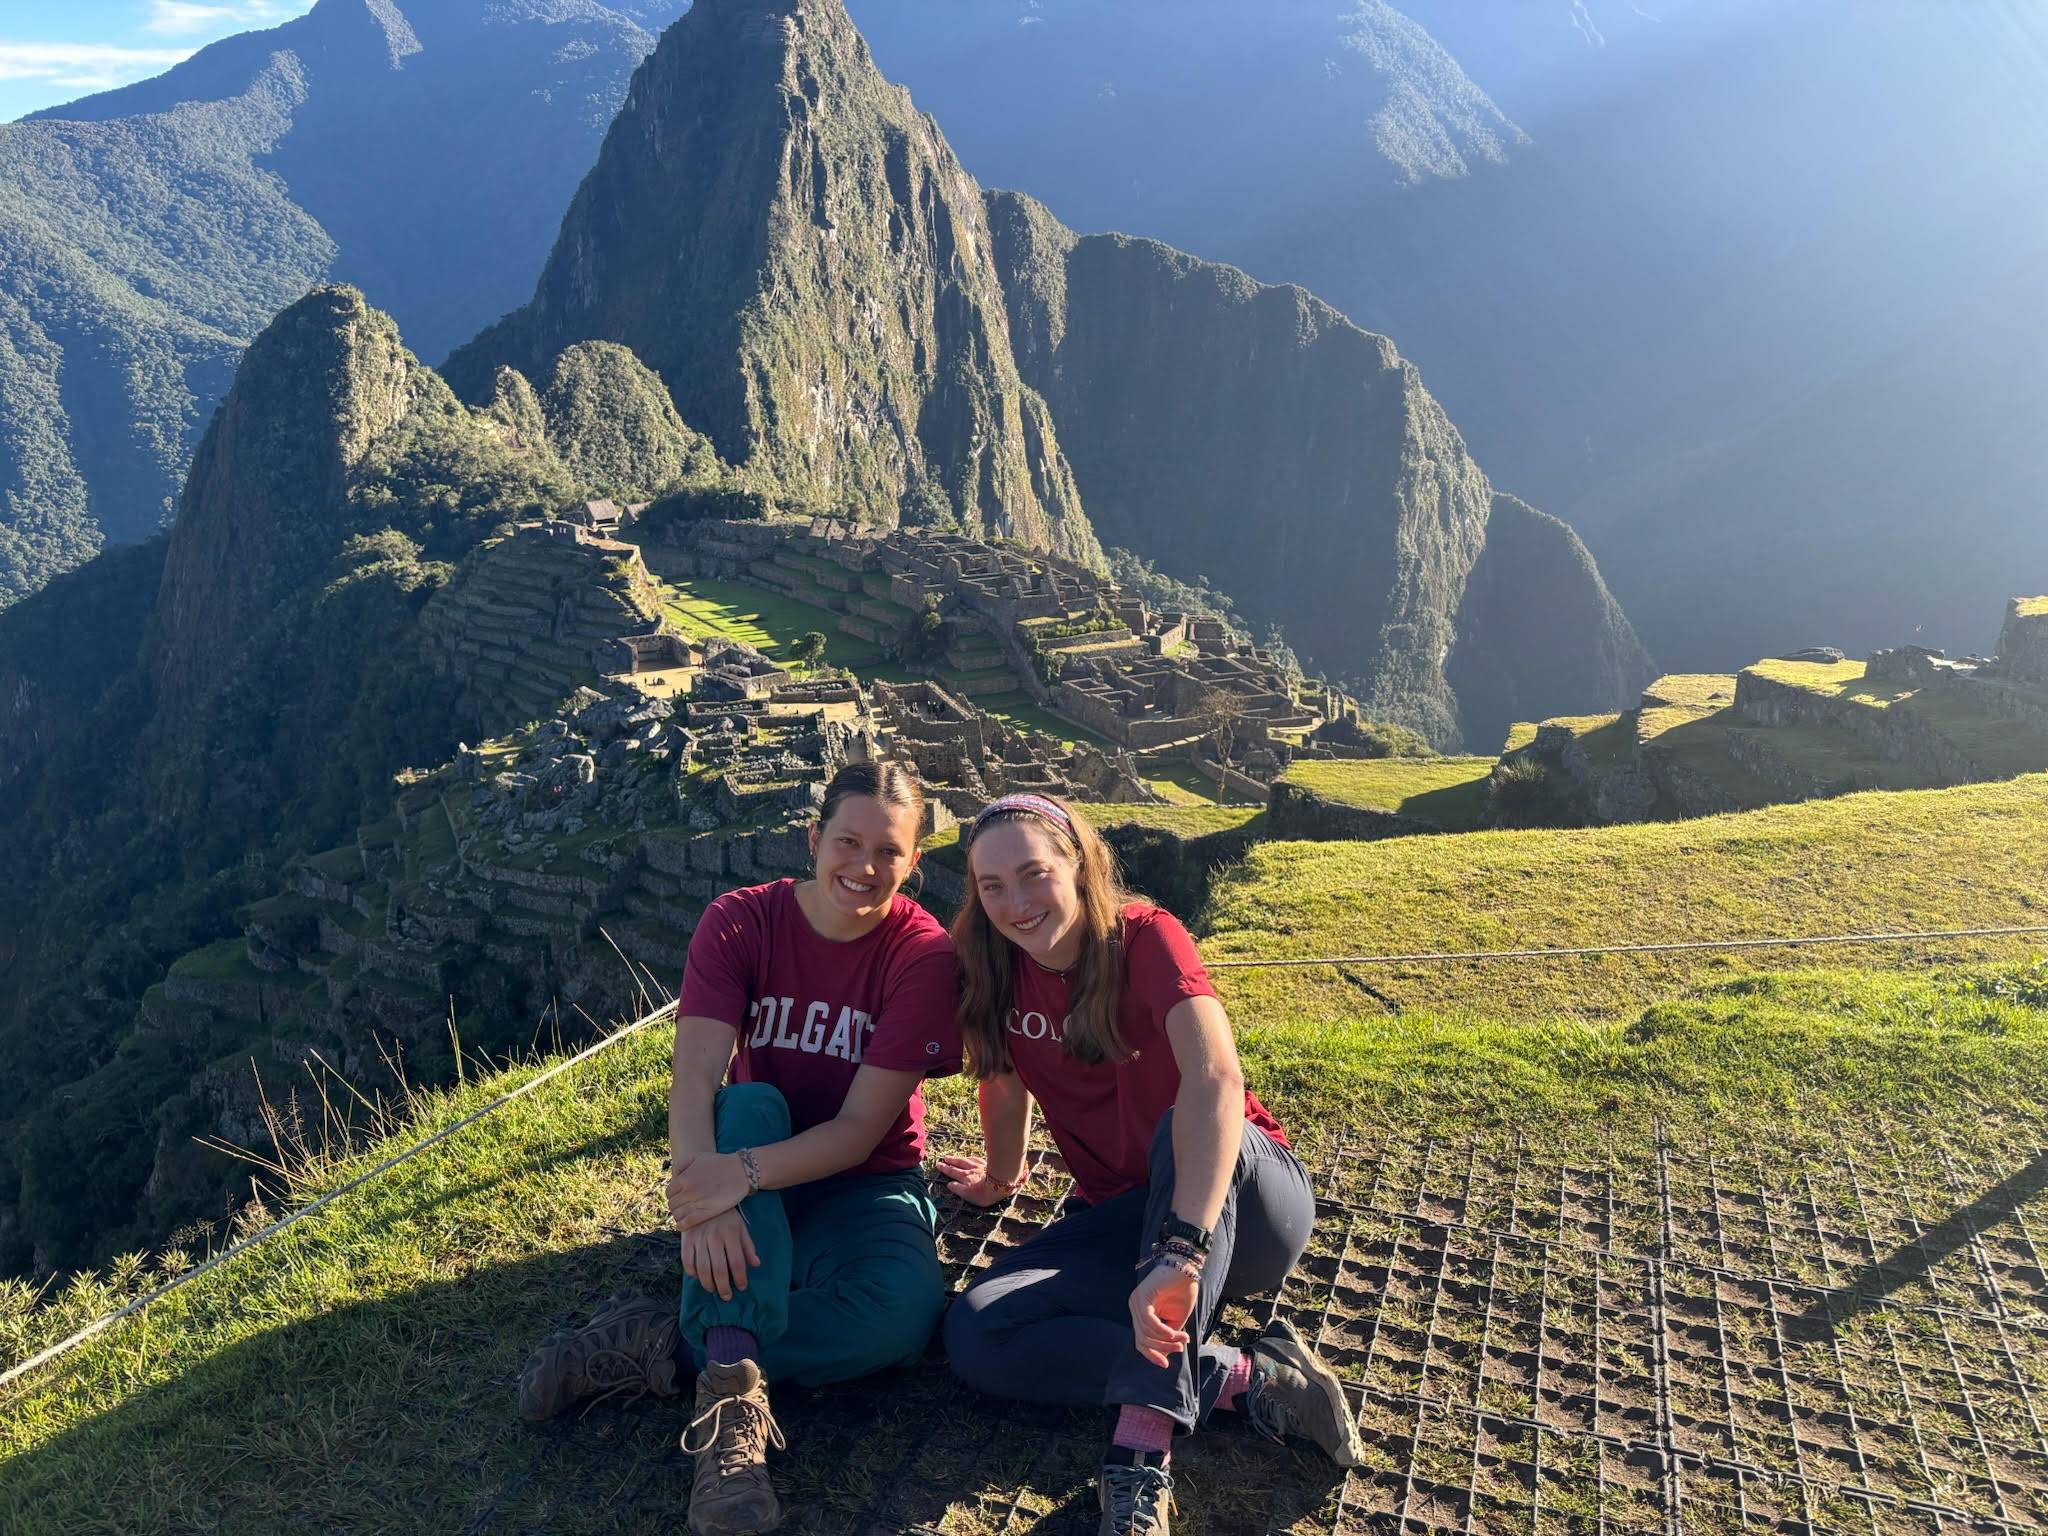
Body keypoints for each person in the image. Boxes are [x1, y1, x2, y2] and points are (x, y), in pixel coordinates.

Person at [518, 760, 961, 1536]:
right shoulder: (740, 920)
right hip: (754, 1160)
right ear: (813, 837)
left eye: (888, 852)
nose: (864, 867)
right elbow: (695, 1081)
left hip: (866, 1179)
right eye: (847, 842)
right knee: (750, 1102)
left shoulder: (921, 956)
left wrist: (737, 1178)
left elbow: (860, 1132)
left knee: (900, 1323)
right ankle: (730, 1408)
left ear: (914, 862)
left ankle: (660, 1344)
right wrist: (702, 1196)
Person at [938, 792, 1361, 1536]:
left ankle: (1140, 1454)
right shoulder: (993, 969)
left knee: (1181, 1124)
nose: (1015, 903)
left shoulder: (1147, 937)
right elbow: (1001, 1082)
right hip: (1124, 1218)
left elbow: (1216, 1082)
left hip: (1246, 1200)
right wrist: (1001, 1179)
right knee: (976, 1332)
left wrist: (1181, 1250)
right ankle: (1251, 1378)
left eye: (1033, 873)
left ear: (1078, 863)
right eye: (992, 886)